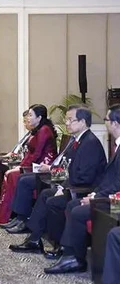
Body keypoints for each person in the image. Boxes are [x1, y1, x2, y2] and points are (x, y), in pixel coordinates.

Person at [7, 106, 106, 253]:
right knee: (45, 194)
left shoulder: (90, 143)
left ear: (83, 122)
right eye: (66, 119)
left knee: (53, 200)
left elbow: (85, 177)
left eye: (70, 120)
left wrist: (64, 188)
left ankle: (61, 245)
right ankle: (34, 238)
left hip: (84, 190)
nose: (66, 123)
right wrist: (61, 185)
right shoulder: (77, 140)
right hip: (73, 184)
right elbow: (68, 167)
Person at [44, 104, 120, 274]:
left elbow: (115, 183)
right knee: (70, 205)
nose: (105, 123)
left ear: (115, 123)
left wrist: (95, 196)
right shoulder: (115, 144)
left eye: (106, 119)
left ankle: (74, 257)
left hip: (113, 201)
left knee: (76, 210)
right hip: (104, 194)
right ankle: (71, 255)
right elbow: (108, 180)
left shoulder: (91, 143)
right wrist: (95, 194)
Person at [0, 104, 58, 224]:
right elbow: (31, 154)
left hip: (43, 166)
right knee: (11, 174)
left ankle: (18, 217)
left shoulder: (44, 130)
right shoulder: (39, 130)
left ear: (39, 117)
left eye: (31, 115)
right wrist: (20, 167)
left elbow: (36, 154)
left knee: (13, 175)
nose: (28, 118)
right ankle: (11, 215)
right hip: (34, 164)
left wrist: (20, 168)